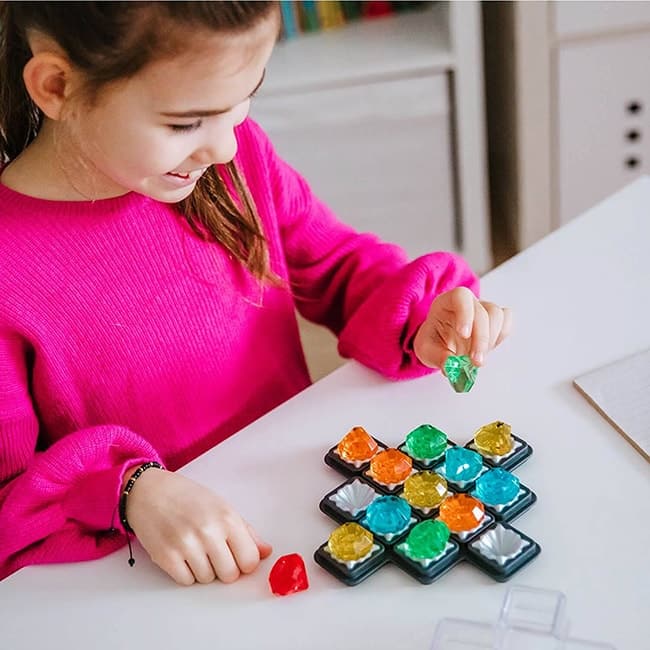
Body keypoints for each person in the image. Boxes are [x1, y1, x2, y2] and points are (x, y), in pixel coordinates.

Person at [0, 1, 511, 586]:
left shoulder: (230, 157)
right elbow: (10, 501)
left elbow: (338, 265)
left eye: (245, 98)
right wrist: (128, 491)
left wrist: (421, 319)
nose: (224, 147)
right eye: (185, 123)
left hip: (301, 509)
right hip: (153, 575)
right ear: (57, 86)